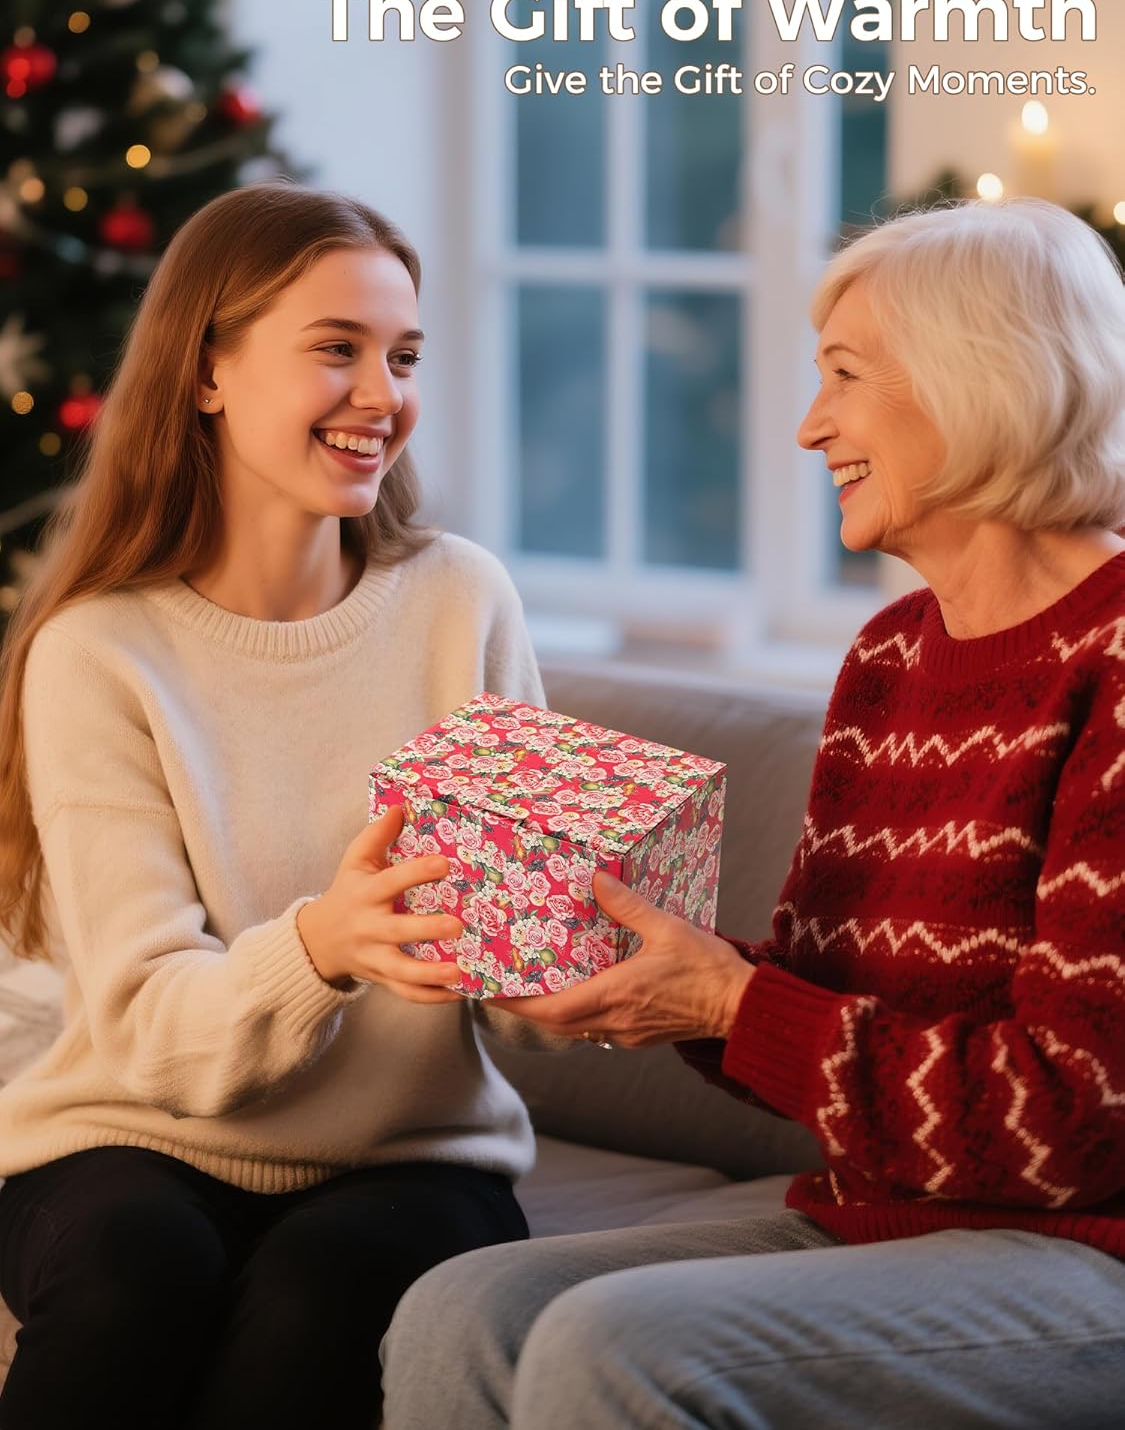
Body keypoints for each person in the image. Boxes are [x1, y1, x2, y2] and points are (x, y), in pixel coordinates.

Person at [381, 197, 1125, 1430]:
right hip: (884, 1219)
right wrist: (653, 979)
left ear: (976, 379)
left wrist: (731, 1002)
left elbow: (1070, 1127)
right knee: (461, 1310)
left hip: (1087, 1248)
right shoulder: (891, 659)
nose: (807, 426)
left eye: (843, 376)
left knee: (616, 1347)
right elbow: (824, 1004)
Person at [0, 182, 553, 1430]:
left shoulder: (464, 602)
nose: (383, 396)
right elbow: (148, 1027)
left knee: (324, 1290)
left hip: (412, 1157)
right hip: (125, 1133)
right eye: (337, 350)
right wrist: (325, 948)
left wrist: (575, 948)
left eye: (403, 356)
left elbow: (530, 1011)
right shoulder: (99, 650)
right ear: (208, 373)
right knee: (140, 1270)